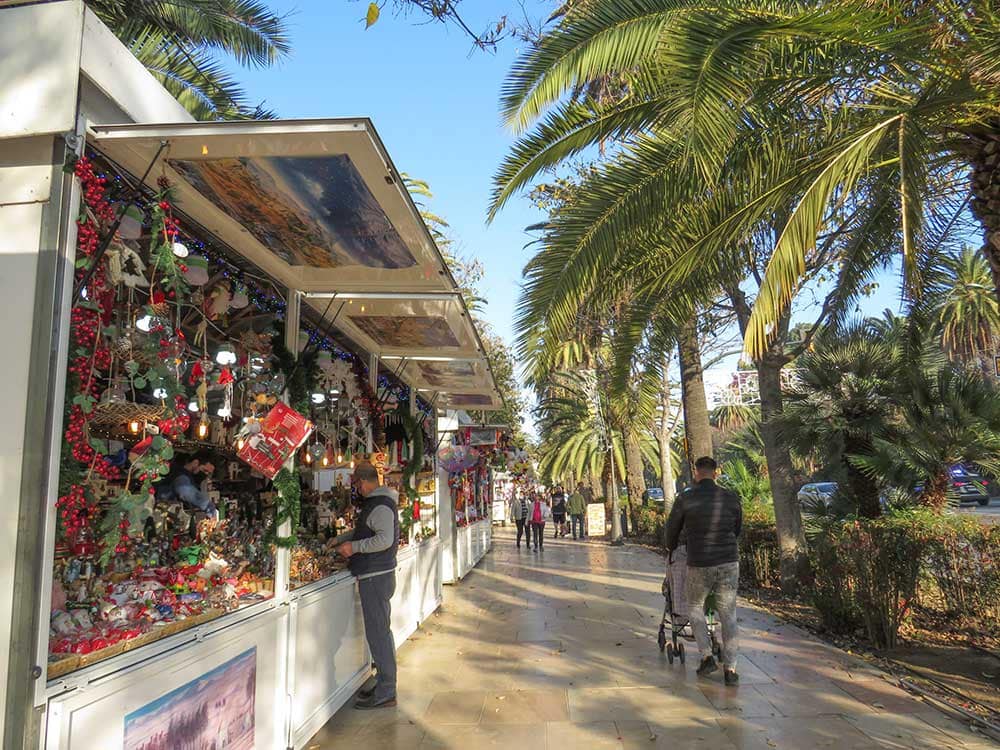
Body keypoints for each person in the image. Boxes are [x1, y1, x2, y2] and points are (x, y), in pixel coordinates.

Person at [327, 461, 400, 708]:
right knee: (379, 632)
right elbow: (367, 532)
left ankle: (387, 690)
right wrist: (343, 538)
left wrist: (353, 547)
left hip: (376, 576)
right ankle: (384, 683)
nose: (356, 489)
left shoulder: (380, 505)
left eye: (357, 484)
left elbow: (384, 539)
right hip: (376, 574)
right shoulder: (378, 503)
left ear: (365, 481)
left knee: (379, 634)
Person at [664, 456, 742, 686]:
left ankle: (707, 655)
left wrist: (670, 547)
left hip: (699, 562)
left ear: (696, 472)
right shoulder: (730, 497)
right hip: (728, 561)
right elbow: (737, 527)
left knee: (694, 607)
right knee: (728, 614)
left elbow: (672, 528)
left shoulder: (686, 498)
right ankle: (731, 669)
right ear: (716, 473)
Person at [155, 451, 217, 515]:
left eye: (208, 473)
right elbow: (184, 490)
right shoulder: (180, 475)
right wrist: (207, 505)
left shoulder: (189, 477)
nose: (205, 474)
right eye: (205, 470)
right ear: (195, 463)